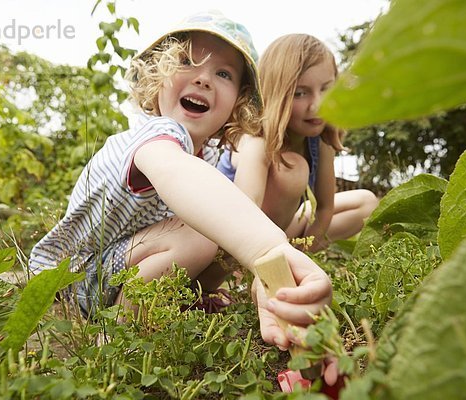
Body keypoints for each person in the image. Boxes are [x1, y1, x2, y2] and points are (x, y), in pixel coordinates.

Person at [28, 12, 331, 350]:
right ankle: (118, 335)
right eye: (187, 61)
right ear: (156, 78)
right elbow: (172, 169)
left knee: (216, 224)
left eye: (223, 73)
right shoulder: (158, 133)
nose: (203, 79)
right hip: (75, 278)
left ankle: (178, 302)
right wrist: (266, 249)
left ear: (237, 103)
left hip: (116, 270)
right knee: (204, 233)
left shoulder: (210, 156)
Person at [217, 34, 378, 252]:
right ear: (276, 96)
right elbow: (246, 216)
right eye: (300, 93)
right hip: (227, 238)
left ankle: (289, 257)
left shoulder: (320, 140)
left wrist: (305, 252)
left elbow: (324, 209)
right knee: (293, 169)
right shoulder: (255, 142)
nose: (317, 105)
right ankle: (255, 266)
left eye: (326, 89)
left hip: (277, 231)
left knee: (366, 203)